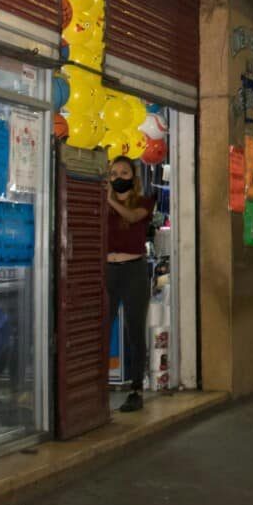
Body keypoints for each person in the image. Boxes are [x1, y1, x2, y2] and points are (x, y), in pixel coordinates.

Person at [105, 155, 155, 413]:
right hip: (108, 270)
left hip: (134, 270)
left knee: (134, 330)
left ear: (133, 178)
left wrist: (111, 200)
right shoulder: (104, 204)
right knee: (102, 327)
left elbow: (133, 218)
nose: (118, 178)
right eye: (113, 174)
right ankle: (96, 385)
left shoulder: (144, 202)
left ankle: (136, 389)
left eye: (124, 173)